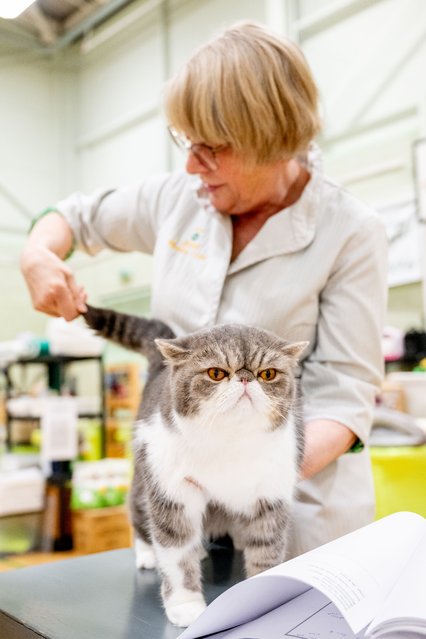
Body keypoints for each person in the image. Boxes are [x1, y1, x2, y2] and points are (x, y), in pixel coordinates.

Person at [20, 21, 388, 558]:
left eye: (212, 148)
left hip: (293, 519)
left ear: (272, 140)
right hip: (183, 503)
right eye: (187, 143)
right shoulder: (182, 197)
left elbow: (345, 396)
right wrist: (37, 254)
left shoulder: (350, 231)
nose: (193, 165)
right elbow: (76, 218)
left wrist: (240, 468)